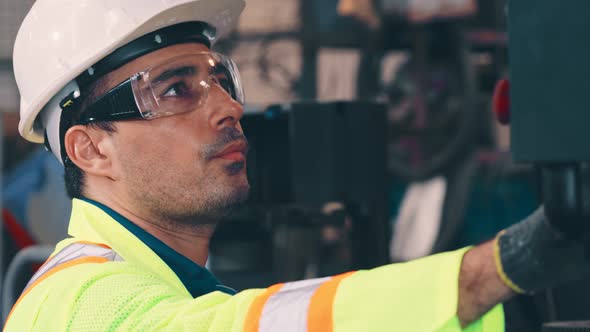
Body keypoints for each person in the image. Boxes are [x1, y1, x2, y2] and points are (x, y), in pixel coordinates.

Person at [5, 0, 590, 331]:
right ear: (90, 149)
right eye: (176, 90)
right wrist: (499, 268)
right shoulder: (78, 304)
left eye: (220, 78)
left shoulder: (175, 288)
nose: (230, 107)